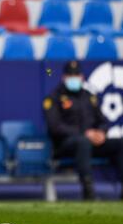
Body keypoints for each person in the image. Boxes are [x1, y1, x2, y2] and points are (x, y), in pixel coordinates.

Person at [43, 60, 123, 200]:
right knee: (83, 142)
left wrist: (101, 133)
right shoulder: (54, 98)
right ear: (64, 77)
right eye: (70, 75)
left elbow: (103, 121)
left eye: (77, 75)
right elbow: (55, 127)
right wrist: (84, 133)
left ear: (82, 77)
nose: (74, 78)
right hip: (65, 145)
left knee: (120, 143)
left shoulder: (89, 96)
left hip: (91, 142)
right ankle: (88, 191)